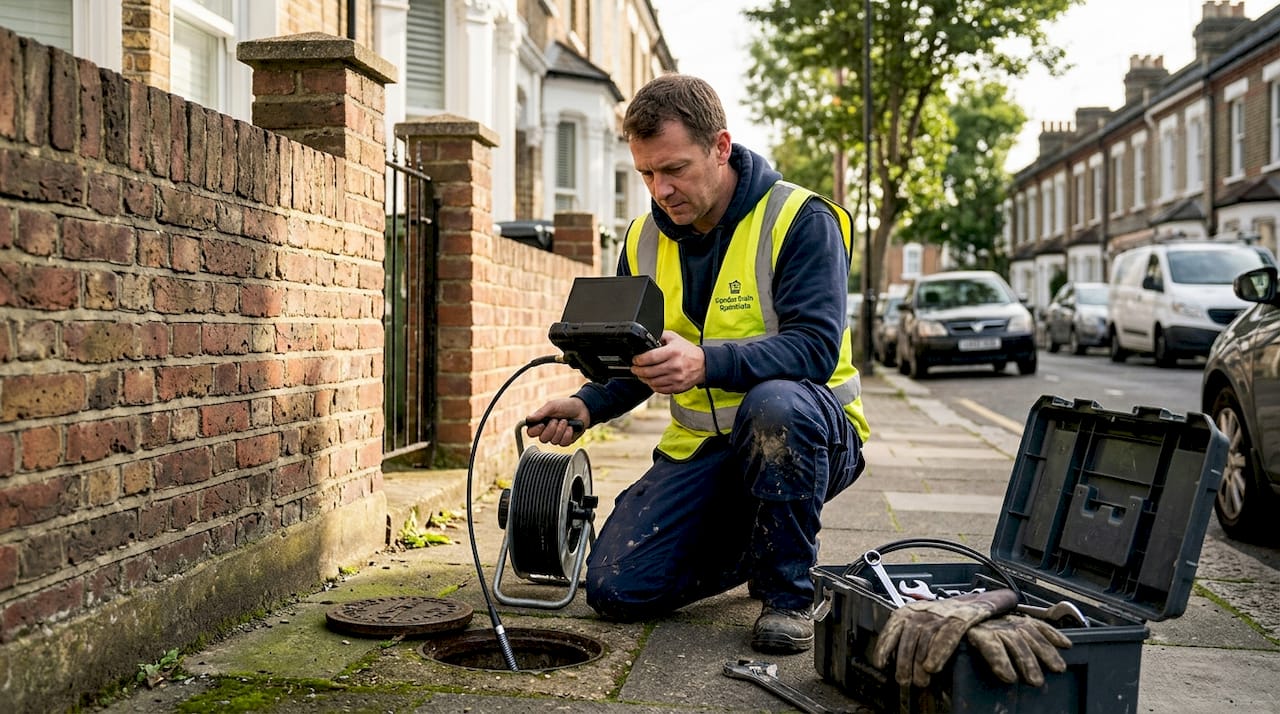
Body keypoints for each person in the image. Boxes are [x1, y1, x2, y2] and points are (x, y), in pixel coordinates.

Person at [526, 73, 870, 655]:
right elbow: (638, 360)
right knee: (615, 591)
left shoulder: (801, 221)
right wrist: (587, 403)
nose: (661, 189)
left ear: (720, 147)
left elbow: (814, 347)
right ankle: (758, 541)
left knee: (775, 405)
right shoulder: (640, 240)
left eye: (675, 169)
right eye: (646, 174)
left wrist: (705, 362)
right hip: (704, 454)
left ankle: (787, 591)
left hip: (809, 438)